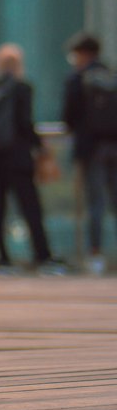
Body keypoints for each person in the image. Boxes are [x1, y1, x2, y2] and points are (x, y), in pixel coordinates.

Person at [0, 44, 59, 273]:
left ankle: (2, 259)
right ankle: (42, 256)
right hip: (17, 158)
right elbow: (24, 121)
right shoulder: (22, 88)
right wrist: (40, 145)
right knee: (30, 208)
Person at [62, 31, 117, 275]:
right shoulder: (111, 75)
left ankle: (95, 254)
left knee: (95, 203)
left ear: (82, 54)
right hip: (114, 146)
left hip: (91, 149)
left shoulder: (77, 79)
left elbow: (68, 117)